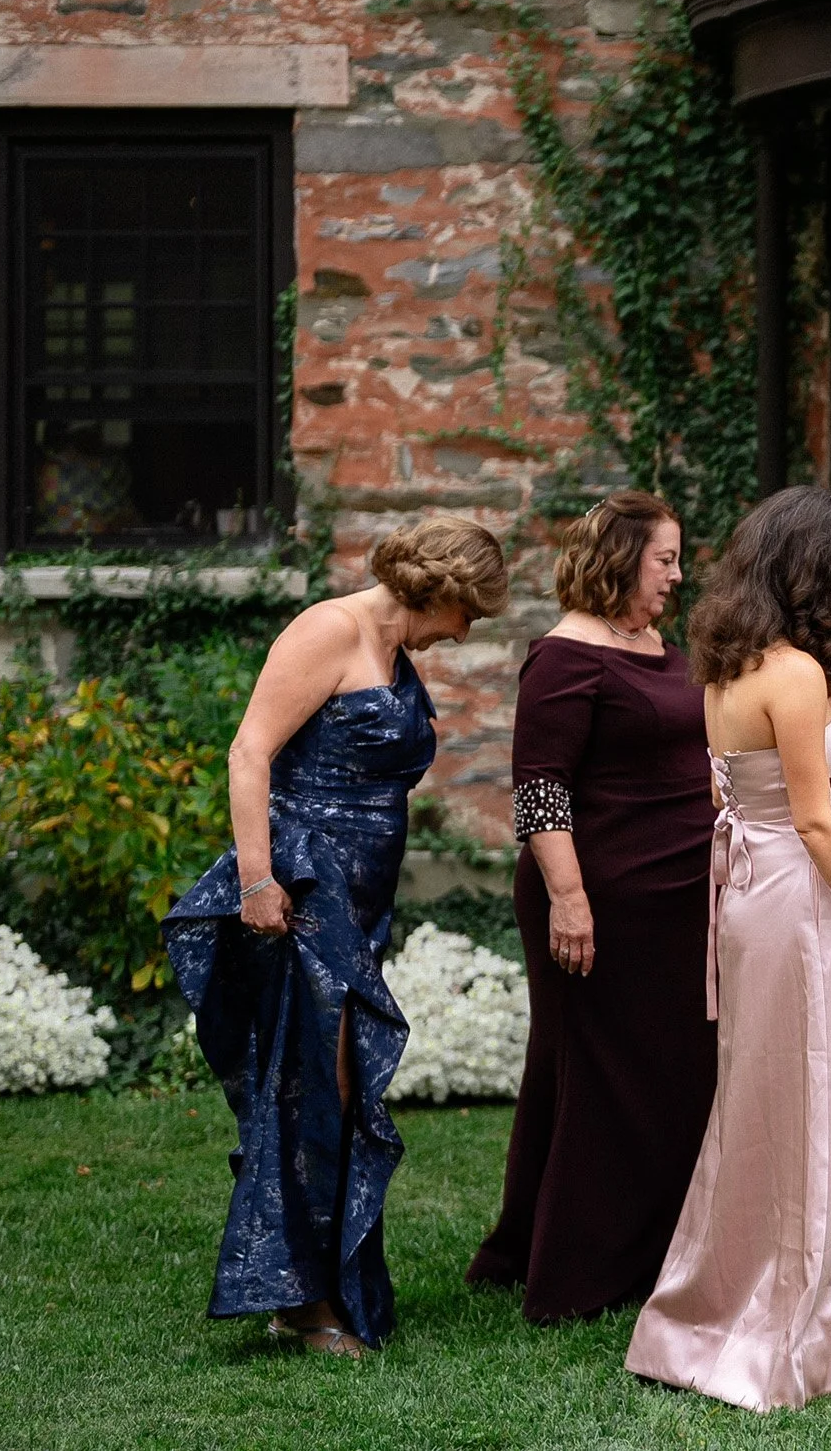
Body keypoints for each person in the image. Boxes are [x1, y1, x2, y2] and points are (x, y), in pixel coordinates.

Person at [163, 516, 509, 1356]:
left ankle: (324, 1290)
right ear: (441, 590)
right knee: (320, 1084)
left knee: (337, 1085)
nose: (467, 634)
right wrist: (256, 880)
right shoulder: (329, 628)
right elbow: (250, 754)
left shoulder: (395, 654)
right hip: (305, 892)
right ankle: (304, 1300)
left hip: (360, 904)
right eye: (470, 612)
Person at [624, 486, 831, 1411]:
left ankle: (750, 1307)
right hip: (795, 900)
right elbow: (810, 819)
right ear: (816, 572)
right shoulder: (792, 672)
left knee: (767, 1100)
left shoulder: (729, 660)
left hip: (756, 892)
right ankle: (788, 1321)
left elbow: (768, 803)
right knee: (808, 1098)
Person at [468, 492, 718, 1322]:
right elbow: (540, 789)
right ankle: (579, 1267)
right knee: (601, 1076)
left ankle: (638, 1244)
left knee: (668, 1075)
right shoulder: (565, 658)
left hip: (677, 902)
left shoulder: (653, 643)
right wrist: (569, 899)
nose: (677, 577)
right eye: (665, 560)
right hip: (600, 901)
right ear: (619, 559)